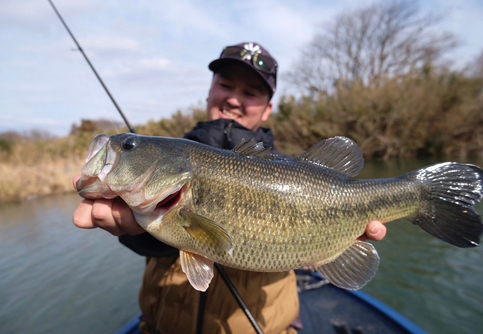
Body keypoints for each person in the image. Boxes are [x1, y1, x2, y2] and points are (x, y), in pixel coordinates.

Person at [73, 42, 387, 334]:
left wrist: (330, 243)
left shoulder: (297, 175)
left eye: (251, 92)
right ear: (210, 91)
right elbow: (168, 238)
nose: (234, 99)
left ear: (267, 110)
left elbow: (208, 237)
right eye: (225, 85)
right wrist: (134, 231)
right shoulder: (173, 159)